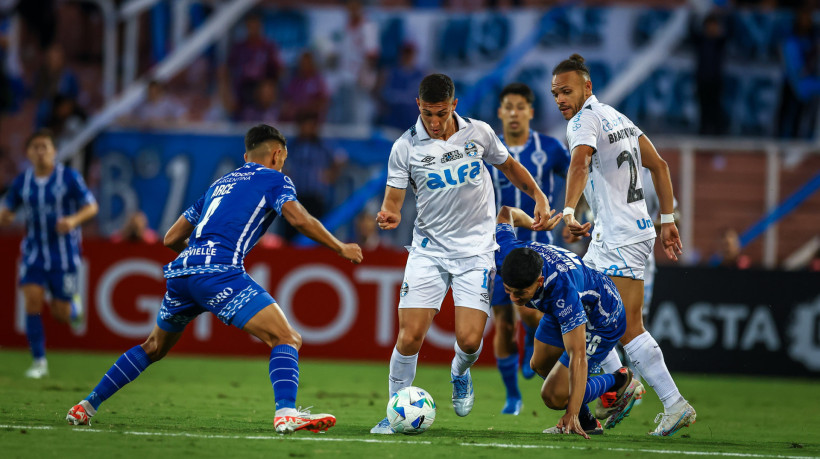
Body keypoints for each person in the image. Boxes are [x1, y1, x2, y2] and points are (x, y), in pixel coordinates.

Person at [65, 124, 363, 434]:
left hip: (182, 272)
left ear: (246, 156)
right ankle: (286, 412)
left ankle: (86, 406)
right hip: (220, 272)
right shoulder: (276, 179)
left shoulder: (218, 185)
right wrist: (340, 246)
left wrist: (197, 259)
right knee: (286, 338)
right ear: (277, 155)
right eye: (283, 158)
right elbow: (298, 217)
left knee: (152, 347)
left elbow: (170, 237)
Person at [370, 73, 559, 434]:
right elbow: (393, 203)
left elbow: (510, 167)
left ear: (454, 105)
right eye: (428, 114)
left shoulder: (480, 133)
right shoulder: (405, 147)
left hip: (475, 252)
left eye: (441, 113)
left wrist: (538, 195)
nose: (435, 122)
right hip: (428, 251)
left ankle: (459, 372)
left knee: (470, 341)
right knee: (409, 336)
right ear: (418, 107)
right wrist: (389, 215)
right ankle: (394, 413)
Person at [552, 54, 695, 437]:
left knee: (628, 327)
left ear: (587, 87)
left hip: (621, 237)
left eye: (567, 91)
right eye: (555, 94)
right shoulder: (617, 117)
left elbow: (580, 163)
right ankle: (615, 384)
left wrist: (567, 210)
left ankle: (672, 402)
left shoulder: (584, 121)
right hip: (616, 235)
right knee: (595, 316)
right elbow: (660, 166)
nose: (561, 100)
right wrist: (666, 220)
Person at [495, 206, 643, 437]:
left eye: (520, 293)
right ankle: (588, 421)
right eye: (508, 290)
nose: (513, 299)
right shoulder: (505, 251)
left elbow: (579, 357)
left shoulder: (563, 289)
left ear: (540, 280)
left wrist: (570, 412)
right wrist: (533, 222)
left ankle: (620, 379)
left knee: (553, 397)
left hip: (602, 317)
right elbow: (505, 213)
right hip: (559, 309)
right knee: (539, 364)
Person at [490, 82, 571, 415]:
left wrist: (574, 212)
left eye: (520, 106)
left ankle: (533, 344)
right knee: (503, 326)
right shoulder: (486, 149)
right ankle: (512, 395)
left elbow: (581, 177)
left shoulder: (550, 148)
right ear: (499, 112)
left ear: (530, 112)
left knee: (529, 312)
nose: (513, 113)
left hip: (540, 247)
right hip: (499, 245)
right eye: (508, 106)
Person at [0, 129, 98, 378]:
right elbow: (8, 209)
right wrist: (6, 216)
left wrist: (73, 220)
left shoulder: (69, 178)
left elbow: (91, 206)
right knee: (32, 300)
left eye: (45, 147)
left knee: (61, 315)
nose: (41, 152)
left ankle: (73, 305)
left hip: (63, 255)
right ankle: (39, 361)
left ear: (54, 152)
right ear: (28, 153)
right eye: (36, 147)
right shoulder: (22, 181)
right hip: (33, 253)